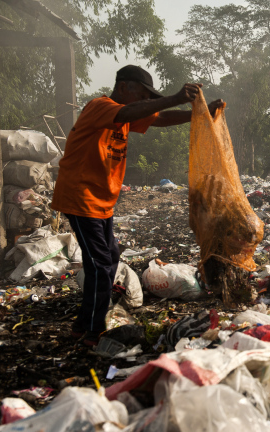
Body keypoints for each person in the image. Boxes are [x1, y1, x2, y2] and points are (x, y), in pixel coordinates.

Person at [51, 65, 223, 346]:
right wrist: (177, 96)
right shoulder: (101, 106)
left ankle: (82, 324)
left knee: (110, 256)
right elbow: (130, 113)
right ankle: (94, 332)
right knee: (99, 264)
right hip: (81, 197)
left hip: (101, 200)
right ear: (123, 88)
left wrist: (200, 114)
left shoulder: (129, 115)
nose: (145, 102)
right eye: (142, 95)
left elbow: (160, 117)